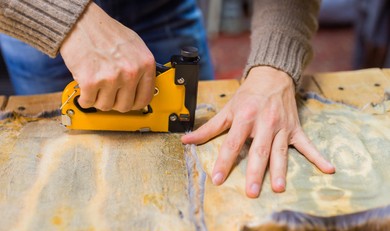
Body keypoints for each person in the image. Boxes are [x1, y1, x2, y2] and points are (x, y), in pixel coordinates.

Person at [0, 0, 335, 198]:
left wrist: (273, 66)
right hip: (40, 18)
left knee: (195, 165)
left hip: (162, 8)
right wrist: (65, 19)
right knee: (63, 181)